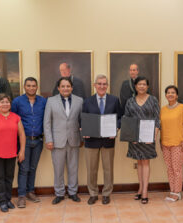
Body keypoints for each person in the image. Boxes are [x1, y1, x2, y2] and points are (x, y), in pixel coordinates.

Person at [82, 74, 122, 205]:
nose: (102, 86)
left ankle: (106, 193)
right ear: (94, 85)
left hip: (108, 141)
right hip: (91, 141)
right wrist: (84, 130)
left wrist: (116, 128)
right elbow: (82, 119)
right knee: (91, 169)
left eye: (104, 84)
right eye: (99, 83)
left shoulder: (114, 100)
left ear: (107, 86)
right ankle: (93, 193)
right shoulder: (87, 101)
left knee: (108, 169)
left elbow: (120, 118)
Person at [0, 93, 26, 212]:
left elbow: (22, 134)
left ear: (10, 104)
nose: (5, 104)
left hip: (12, 153)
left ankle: (8, 199)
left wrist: (22, 151)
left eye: (7, 102)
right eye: (2, 102)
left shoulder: (16, 117)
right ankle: (1, 202)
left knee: (9, 177)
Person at [44, 77, 83, 204]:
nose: (66, 88)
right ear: (58, 88)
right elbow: (47, 122)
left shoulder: (79, 101)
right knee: (58, 169)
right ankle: (59, 193)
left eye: (68, 86)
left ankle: (73, 192)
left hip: (74, 139)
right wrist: (49, 139)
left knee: (73, 167)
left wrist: (82, 138)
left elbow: (82, 121)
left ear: (71, 88)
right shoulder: (51, 101)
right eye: (63, 86)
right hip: (56, 141)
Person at [11, 77, 47, 208]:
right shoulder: (17, 101)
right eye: (28, 86)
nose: (31, 88)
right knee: (24, 168)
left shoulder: (43, 101)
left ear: (37, 87)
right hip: (23, 140)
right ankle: (21, 195)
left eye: (33, 86)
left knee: (33, 168)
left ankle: (30, 192)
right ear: (24, 87)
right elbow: (12, 121)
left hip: (38, 140)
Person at [125, 76, 160, 204]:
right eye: (139, 84)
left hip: (148, 138)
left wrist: (153, 137)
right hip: (134, 139)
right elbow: (127, 120)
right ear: (135, 86)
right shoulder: (130, 101)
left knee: (145, 162)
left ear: (147, 86)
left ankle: (145, 191)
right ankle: (140, 189)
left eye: (144, 84)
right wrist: (131, 136)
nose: (141, 86)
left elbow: (157, 119)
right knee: (139, 162)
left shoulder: (153, 100)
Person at [160, 85, 183, 202]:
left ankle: (177, 192)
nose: (170, 94)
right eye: (168, 92)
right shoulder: (163, 109)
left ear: (177, 95)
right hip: (165, 143)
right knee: (169, 168)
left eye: (173, 92)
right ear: (166, 95)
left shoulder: (182, 108)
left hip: (178, 143)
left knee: (177, 169)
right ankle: (172, 190)